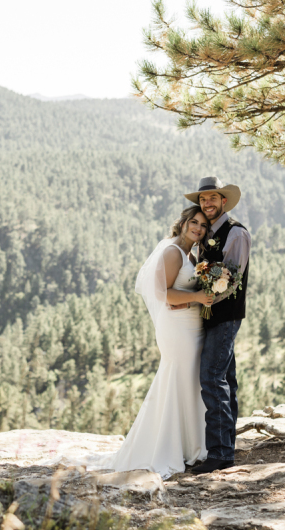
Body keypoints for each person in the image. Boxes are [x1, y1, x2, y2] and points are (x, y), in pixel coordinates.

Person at [106, 205, 214, 478]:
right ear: (184, 222)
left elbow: (178, 291)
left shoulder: (191, 253)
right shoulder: (172, 252)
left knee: (189, 381)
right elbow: (163, 293)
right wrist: (198, 298)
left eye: (203, 225)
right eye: (194, 222)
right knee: (177, 377)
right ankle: (168, 447)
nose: (198, 228)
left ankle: (191, 445)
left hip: (190, 325)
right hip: (177, 329)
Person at [183, 177, 251, 475]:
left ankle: (220, 454)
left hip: (225, 315)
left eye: (212, 198)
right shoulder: (206, 232)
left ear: (224, 200)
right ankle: (228, 447)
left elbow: (232, 278)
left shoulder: (236, 233)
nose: (207, 203)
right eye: (203, 199)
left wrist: (208, 295)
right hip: (210, 314)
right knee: (226, 380)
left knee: (211, 378)